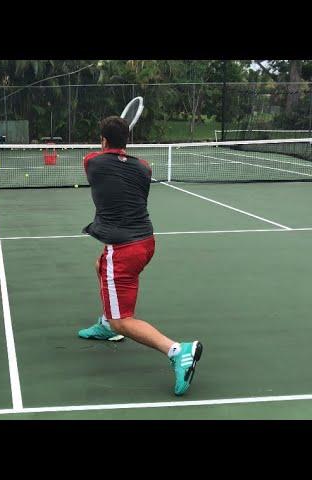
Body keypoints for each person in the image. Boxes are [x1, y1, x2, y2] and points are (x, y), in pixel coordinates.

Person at [78, 116, 202, 396]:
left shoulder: (92, 162)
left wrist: (107, 147)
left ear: (104, 141)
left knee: (124, 319)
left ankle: (177, 351)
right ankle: (106, 324)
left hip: (123, 248)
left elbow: (98, 161)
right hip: (145, 242)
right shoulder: (143, 168)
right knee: (100, 265)